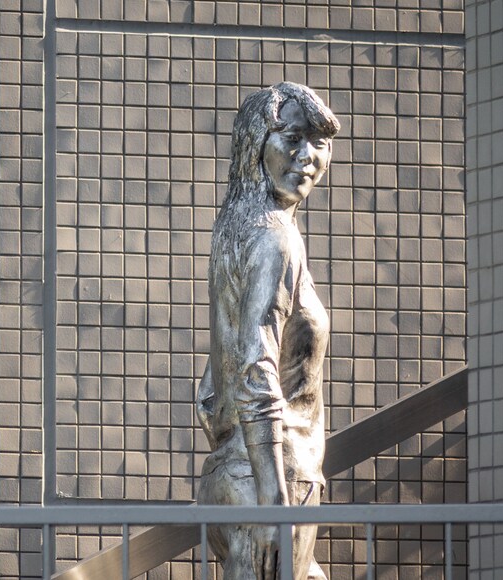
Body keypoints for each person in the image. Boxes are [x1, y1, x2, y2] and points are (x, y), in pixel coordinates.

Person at [196, 82, 339, 580]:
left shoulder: (236, 228)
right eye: (292, 138)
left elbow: (211, 386)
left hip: (233, 473)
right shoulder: (276, 239)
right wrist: (274, 501)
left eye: (319, 143)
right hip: (274, 477)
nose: (308, 156)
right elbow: (254, 367)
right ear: (256, 144)